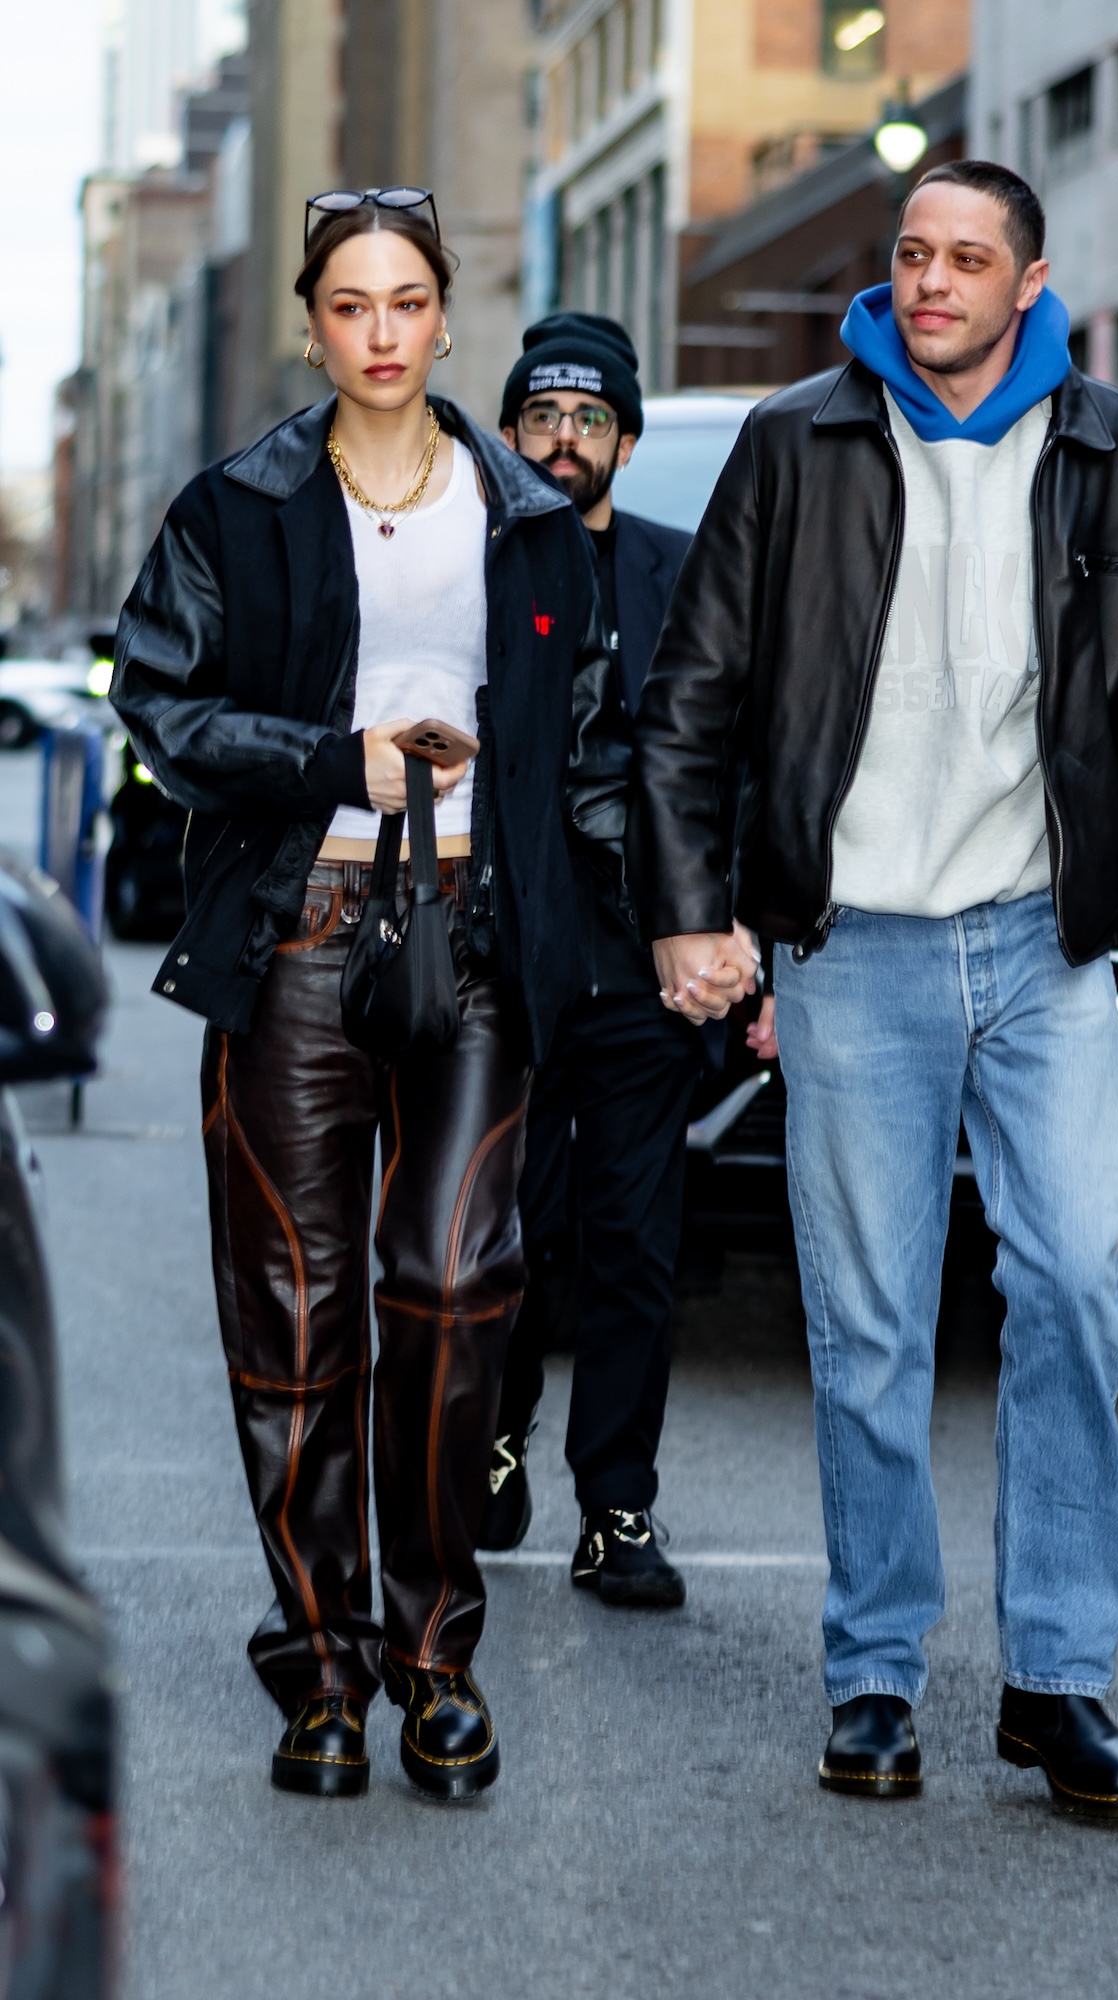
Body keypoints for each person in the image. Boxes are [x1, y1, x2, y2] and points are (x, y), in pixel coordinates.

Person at [630, 160, 1118, 1816]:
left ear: (1029, 280)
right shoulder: (797, 443)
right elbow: (690, 700)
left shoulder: (1112, 454)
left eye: (965, 258)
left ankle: (1054, 1679)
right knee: (866, 1328)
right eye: (911, 254)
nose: (930, 281)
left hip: (1043, 951)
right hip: (854, 953)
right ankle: (873, 1671)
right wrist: (693, 912)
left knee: (1075, 1285)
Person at [111, 188, 626, 1801]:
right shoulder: (236, 506)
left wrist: (680, 918)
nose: (384, 333)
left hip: (471, 928)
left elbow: (592, 728)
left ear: (447, 319)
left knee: (458, 1285)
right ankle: (320, 1662)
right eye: (352, 305)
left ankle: (433, 1652)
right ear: (314, 323)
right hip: (298, 929)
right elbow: (162, 705)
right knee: (294, 1314)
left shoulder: (524, 513)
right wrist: (341, 764)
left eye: (410, 302)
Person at [481, 312, 698, 1608]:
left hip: (645, 975)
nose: (565, 442)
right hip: (497, 972)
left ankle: (616, 1506)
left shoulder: (680, 570)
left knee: (634, 1247)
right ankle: (488, 1442)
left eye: (590, 420)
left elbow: (726, 766)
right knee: (502, 1237)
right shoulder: (468, 571)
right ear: (510, 434)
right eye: (543, 419)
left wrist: (746, 949)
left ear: (624, 436)